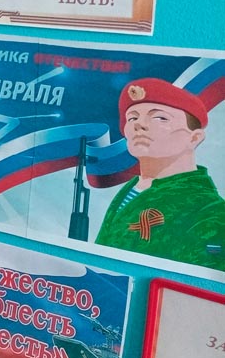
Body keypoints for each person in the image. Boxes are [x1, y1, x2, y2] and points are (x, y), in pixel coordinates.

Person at [95, 78, 225, 271]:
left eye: (160, 118)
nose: (140, 125)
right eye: (132, 118)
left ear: (194, 138)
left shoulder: (210, 210)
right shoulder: (130, 190)